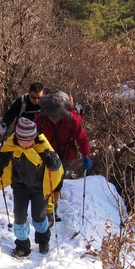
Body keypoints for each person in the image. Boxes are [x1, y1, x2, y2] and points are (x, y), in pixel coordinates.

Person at [0, 117, 63, 256]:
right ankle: (22, 245)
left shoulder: (42, 147)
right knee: (19, 216)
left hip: (39, 188)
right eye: (22, 141)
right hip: (20, 186)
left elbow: (57, 164)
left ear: (34, 138)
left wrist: (52, 163)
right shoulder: (11, 146)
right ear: (17, 138)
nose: (25, 145)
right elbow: (2, 157)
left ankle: (43, 240)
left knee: (39, 216)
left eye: (29, 141)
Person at [34, 91, 92, 223]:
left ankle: (52, 209)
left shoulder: (71, 120)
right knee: (46, 182)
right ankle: (48, 212)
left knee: (57, 184)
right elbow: (30, 134)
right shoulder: (41, 119)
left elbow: (82, 139)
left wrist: (86, 155)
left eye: (57, 116)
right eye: (51, 116)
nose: (54, 119)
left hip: (64, 155)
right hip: (45, 154)